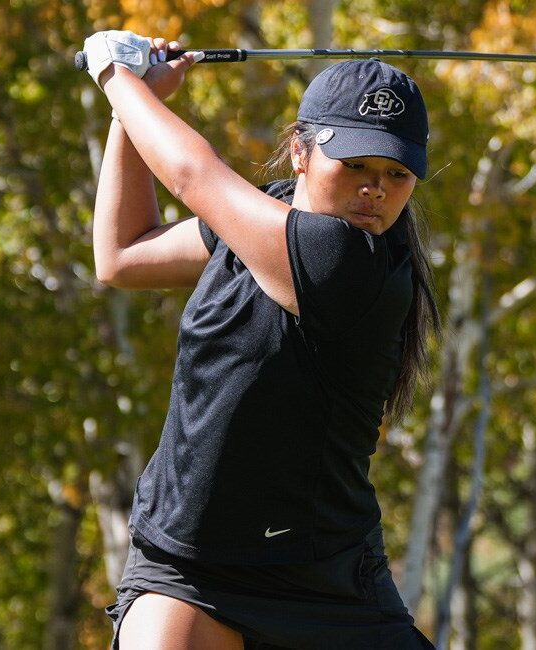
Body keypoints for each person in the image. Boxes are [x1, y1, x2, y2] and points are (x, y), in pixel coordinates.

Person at [83, 29, 439, 649]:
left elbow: (194, 174)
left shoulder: (349, 264)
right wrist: (128, 112)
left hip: (327, 580)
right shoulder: (262, 220)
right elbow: (121, 255)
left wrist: (120, 78)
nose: (375, 189)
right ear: (301, 152)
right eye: (354, 164)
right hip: (190, 569)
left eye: (396, 172)